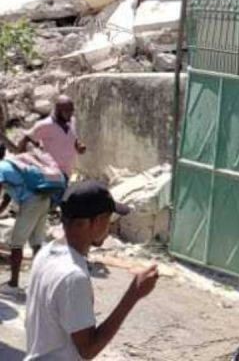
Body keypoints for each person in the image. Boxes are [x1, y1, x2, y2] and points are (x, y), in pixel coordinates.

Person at [25, 180, 158, 360]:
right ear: (96, 221)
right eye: (108, 219)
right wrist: (133, 294)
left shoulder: (46, 252)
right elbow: (88, 349)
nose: (109, 227)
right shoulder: (73, 277)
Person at [0, 150, 66, 296]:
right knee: (36, 242)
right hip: (43, 199)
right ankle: (38, 283)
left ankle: (13, 284)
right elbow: (7, 197)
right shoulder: (12, 164)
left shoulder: (1, 168)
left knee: (16, 243)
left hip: (30, 203)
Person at [16, 95, 86, 178]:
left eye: (71, 111)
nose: (70, 114)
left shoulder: (71, 121)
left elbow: (72, 137)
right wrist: (21, 164)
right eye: (67, 111)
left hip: (67, 171)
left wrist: (78, 145)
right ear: (58, 111)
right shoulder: (46, 125)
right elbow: (26, 138)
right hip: (52, 173)